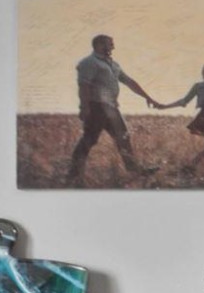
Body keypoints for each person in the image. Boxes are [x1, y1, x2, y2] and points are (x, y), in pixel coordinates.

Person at [64, 33, 153, 182]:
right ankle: (73, 176)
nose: (113, 47)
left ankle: (134, 170)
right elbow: (84, 86)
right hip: (96, 107)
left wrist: (147, 97)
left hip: (111, 108)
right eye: (110, 44)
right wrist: (84, 108)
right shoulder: (89, 62)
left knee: (123, 137)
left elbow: (129, 81)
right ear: (99, 45)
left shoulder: (114, 64)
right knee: (89, 139)